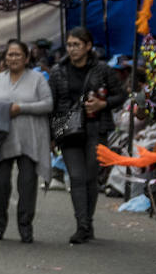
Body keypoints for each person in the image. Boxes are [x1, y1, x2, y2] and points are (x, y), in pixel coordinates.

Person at [50, 27, 125, 244]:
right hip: (68, 129)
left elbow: (121, 94)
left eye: (77, 45)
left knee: (91, 177)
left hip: (95, 128)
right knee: (76, 177)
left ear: (88, 46)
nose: (72, 49)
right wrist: (51, 135)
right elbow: (52, 103)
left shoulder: (102, 70)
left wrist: (103, 104)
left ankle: (87, 221)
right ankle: (82, 225)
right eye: (69, 45)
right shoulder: (58, 71)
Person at [0, 40, 52, 243]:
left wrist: (21, 108)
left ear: (26, 58)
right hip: (1, 140)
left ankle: (25, 227)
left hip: (30, 140)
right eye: (10, 55)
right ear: (5, 58)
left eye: (18, 55)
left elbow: (48, 104)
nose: (13, 58)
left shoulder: (38, 79)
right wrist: (3, 109)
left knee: (27, 185)